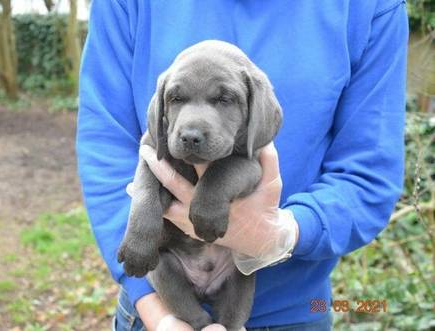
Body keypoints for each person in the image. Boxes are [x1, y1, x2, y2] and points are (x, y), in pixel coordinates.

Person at [76, 1, 408, 330]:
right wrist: (155, 310)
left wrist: (282, 232)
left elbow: (368, 174)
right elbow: (105, 143)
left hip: (294, 312)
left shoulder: (369, 7)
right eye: (178, 99)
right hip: (157, 306)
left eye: (223, 99)